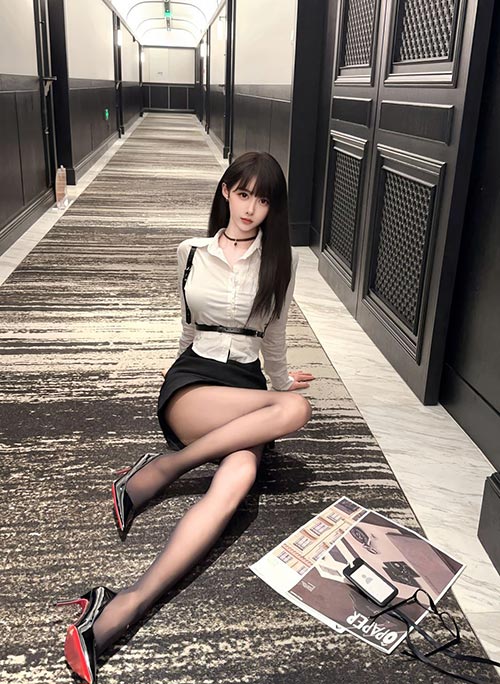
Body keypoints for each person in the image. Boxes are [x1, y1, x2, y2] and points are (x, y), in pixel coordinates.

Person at [57, 151, 315, 683]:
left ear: (274, 208)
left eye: (263, 200)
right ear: (226, 192)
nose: (251, 208)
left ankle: (125, 603)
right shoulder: (191, 252)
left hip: (245, 387)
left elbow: (274, 338)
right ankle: (164, 468)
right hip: (194, 383)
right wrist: (178, 372)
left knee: (238, 479)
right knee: (293, 411)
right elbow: (186, 327)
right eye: (243, 194)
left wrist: (281, 380)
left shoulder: (281, 262)